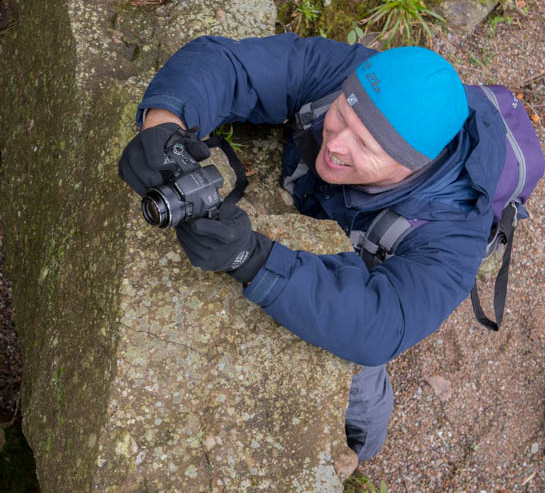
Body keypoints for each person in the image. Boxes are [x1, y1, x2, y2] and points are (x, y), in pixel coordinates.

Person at [117, 33, 507, 461]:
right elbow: (228, 63)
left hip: (367, 287)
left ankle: (359, 453)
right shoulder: (352, 75)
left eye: (365, 146)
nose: (334, 143)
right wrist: (163, 128)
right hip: (323, 204)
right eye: (340, 115)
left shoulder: (453, 231)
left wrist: (252, 259)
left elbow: (382, 326)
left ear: (413, 166)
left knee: (357, 379)